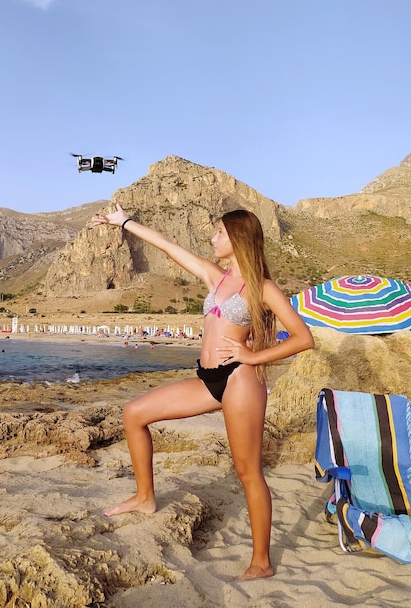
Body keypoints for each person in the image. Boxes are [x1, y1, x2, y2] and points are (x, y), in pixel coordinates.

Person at [91, 203, 315, 580]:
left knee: (248, 473)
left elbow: (303, 338)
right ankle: (145, 497)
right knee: (134, 413)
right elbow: (167, 247)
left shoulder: (263, 287)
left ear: (238, 239)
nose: (213, 238)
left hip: (241, 381)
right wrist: (126, 222)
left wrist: (252, 354)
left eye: (220, 233)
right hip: (207, 379)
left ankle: (261, 562)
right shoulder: (216, 276)